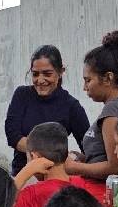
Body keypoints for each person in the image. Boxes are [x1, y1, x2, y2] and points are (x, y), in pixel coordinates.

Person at [65, 31, 118, 206]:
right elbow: (107, 156)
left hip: (102, 196)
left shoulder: (112, 112)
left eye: (88, 80)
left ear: (108, 78)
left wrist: (76, 168)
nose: (85, 88)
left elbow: (116, 167)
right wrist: (85, 158)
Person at [5, 45, 89, 175]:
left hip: (55, 178)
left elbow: (89, 148)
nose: (40, 80)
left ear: (60, 72)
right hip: (23, 176)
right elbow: (13, 136)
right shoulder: (22, 95)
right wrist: (52, 152)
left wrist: (76, 158)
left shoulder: (71, 106)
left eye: (47, 74)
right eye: (35, 74)